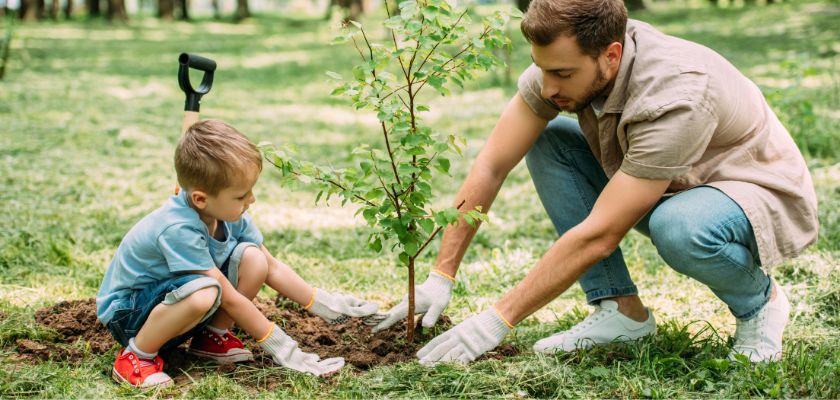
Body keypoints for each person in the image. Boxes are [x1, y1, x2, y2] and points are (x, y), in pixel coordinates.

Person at [374, 0, 818, 364]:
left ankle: (759, 303)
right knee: (549, 141)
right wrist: (441, 274)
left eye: (563, 74)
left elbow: (601, 234)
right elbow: (491, 164)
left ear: (611, 55)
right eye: (542, 68)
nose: (547, 87)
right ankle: (621, 313)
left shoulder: (676, 96)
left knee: (680, 227)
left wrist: (498, 319)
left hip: (751, 192)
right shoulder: (563, 65)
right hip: (670, 183)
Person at [96, 120, 379, 388]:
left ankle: (211, 338)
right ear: (200, 199)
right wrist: (283, 347)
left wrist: (323, 304)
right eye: (241, 195)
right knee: (206, 291)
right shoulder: (177, 228)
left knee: (253, 259)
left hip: (172, 303)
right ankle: (136, 357)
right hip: (130, 315)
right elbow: (228, 297)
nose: (251, 200)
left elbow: (271, 266)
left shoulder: (227, 213)